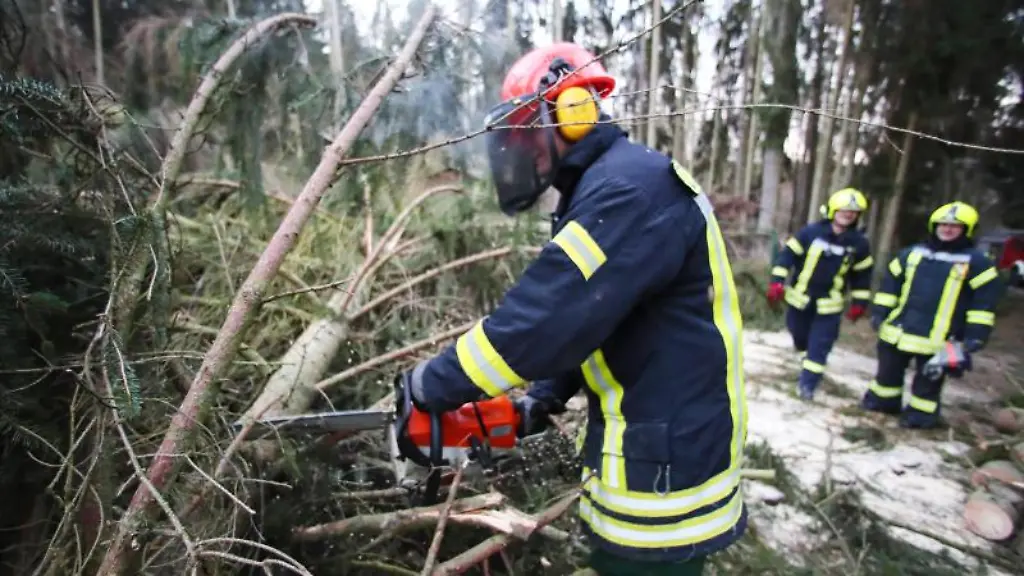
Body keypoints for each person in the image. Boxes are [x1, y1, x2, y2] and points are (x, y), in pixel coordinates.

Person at [397, 42, 748, 575]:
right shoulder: (607, 185)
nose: (521, 149)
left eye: (527, 130)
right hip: (655, 442)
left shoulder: (629, 190)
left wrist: (431, 384)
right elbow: (592, 317)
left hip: (665, 468)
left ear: (575, 110)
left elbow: (544, 319)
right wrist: (542, 399)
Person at [860, 201, 1002, 429]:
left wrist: (976, 335)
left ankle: (920, 417)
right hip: (898, 329)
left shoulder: (978, 264)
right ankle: (882, 403)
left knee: (928, 384)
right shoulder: (910, 254)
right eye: (943, 224)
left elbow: (983, 304)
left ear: (967, 230)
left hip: (940, 338)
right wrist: (879, 313)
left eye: (955, 226)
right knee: (887, 373)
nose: (947, 229)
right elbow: (890, 286)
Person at [766, 189, 874, 400]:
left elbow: (862, 277)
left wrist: (860, 303)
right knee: (799, 337)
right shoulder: (810, 233)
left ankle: (807, 386)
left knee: (819, 346)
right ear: (833, 210)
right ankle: (805, 358)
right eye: (844, 210)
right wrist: (777, 282)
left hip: (829, 307)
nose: (848, 215)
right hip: (799, 301)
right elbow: (786, 257)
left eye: (853, 212)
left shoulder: (859, 244)